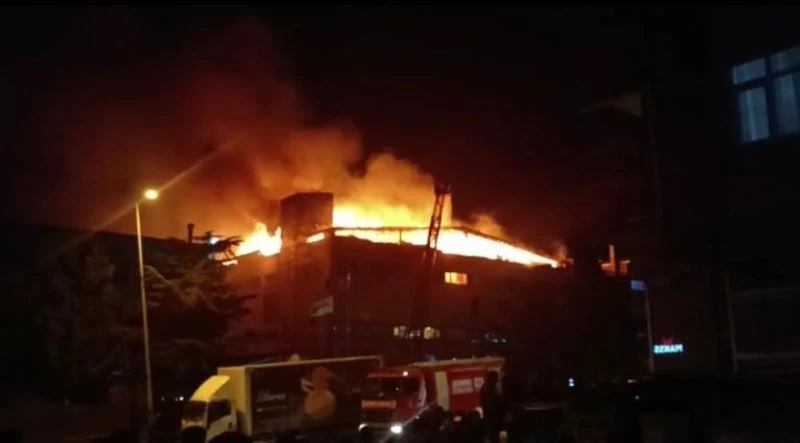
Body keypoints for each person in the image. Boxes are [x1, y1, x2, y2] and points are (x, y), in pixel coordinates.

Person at [481, 371, 503, 443]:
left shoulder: (487, 388)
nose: (497, 380)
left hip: (491, 417)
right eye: (496, 378)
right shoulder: (487, 388)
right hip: (493, 417)